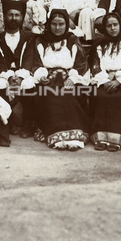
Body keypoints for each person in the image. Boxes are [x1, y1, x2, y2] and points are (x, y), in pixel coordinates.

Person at [30, 9, 90, 151]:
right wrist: (41, 75)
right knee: (51, 95)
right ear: (49, 24)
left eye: (61, 24)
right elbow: (35, 62)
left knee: (69, 94)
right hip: (48, 78)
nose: (57, 28)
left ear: (66, 25)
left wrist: (73, 78)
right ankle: (55, 135)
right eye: (54, 24)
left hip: (69, 77)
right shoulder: (41, 40)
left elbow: (81, 63)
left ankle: (75, 135)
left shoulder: (72, 40)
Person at [89, 13, 121, 152]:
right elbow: (95, 66)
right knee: (101, 95)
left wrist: (118, 81)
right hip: (104, 80)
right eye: (109, 25)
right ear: (105, 28)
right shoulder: (99, 45)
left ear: (120, 25)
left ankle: (118, 139)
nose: (112, 28)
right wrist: (105, 80)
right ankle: (101, 137)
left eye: (115, 25)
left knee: (119, 96)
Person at [0, 0, 35, 138]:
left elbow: (29, 58)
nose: (13, 18)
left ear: (22, 17)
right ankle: (8, 123)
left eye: (17, 15)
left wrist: (20, 77)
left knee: (29, 84)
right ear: (4, 17)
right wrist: (9, 77)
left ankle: (27, 124)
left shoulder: (28, 38)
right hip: (5, 75)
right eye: (10, 15)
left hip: (23, 74)